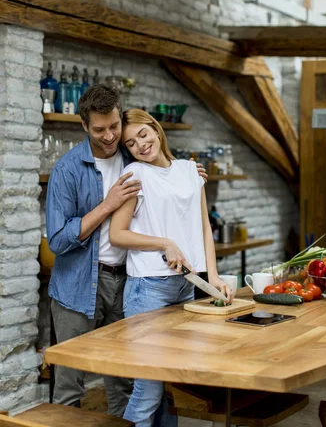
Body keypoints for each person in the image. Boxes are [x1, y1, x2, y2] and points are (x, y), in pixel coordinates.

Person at [46, 84, 207, 415]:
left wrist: (189, 176)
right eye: (99, 129)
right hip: (78, 285)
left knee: (124, 380)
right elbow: (59, 240)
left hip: (129, 283)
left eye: (114, 127)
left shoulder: (133, 155)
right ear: (84, 126)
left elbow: (164, 171)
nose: (109, 136)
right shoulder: (68, 169)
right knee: (69, 383)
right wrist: (107, 206)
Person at [109, 109, 231, 427]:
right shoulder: (135, 175)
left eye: (143, 134)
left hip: (185, 285)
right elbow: (117, 234)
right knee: (148, 390)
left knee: (170, 387)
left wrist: (213, 276)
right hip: (147, 289)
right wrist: (164, 243)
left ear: (156, 129)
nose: (140, 145)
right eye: (131, 143)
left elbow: (204, 227)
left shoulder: (191, 170)